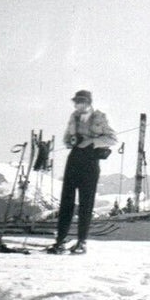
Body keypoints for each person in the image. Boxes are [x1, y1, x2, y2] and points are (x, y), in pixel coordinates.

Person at [49, 90, 118, 255]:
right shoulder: (74, 117)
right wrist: (72, 140)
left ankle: (82, 241)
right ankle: (60, 240)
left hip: (90, 160)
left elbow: (112, 138)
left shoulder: (100, 117)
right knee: (67, 200)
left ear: (88, 102)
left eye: (80, 101)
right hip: (74, 158)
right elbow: (66, 139)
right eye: (76, 101)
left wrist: (92, 142)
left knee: (86, 202)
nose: (77, 104)